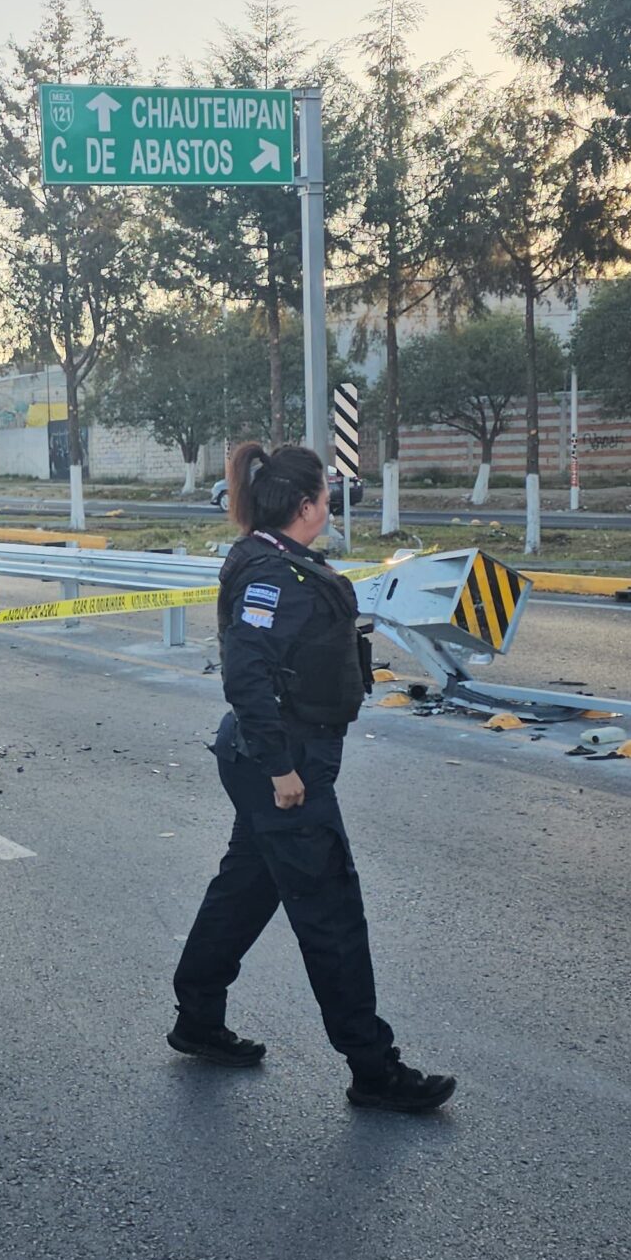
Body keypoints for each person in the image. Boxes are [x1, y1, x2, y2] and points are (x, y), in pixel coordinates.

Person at [168, 442, 458, 1114]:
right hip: (280, 764)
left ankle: (198, 1016)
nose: (331, 506)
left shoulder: (286, 562)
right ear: (303, 506)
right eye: (326, 497)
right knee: (332, 912)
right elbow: (246, 674)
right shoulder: (269, 575)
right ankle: (373, 1066)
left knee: (245, 887)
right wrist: (281, 770)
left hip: (278, 758)